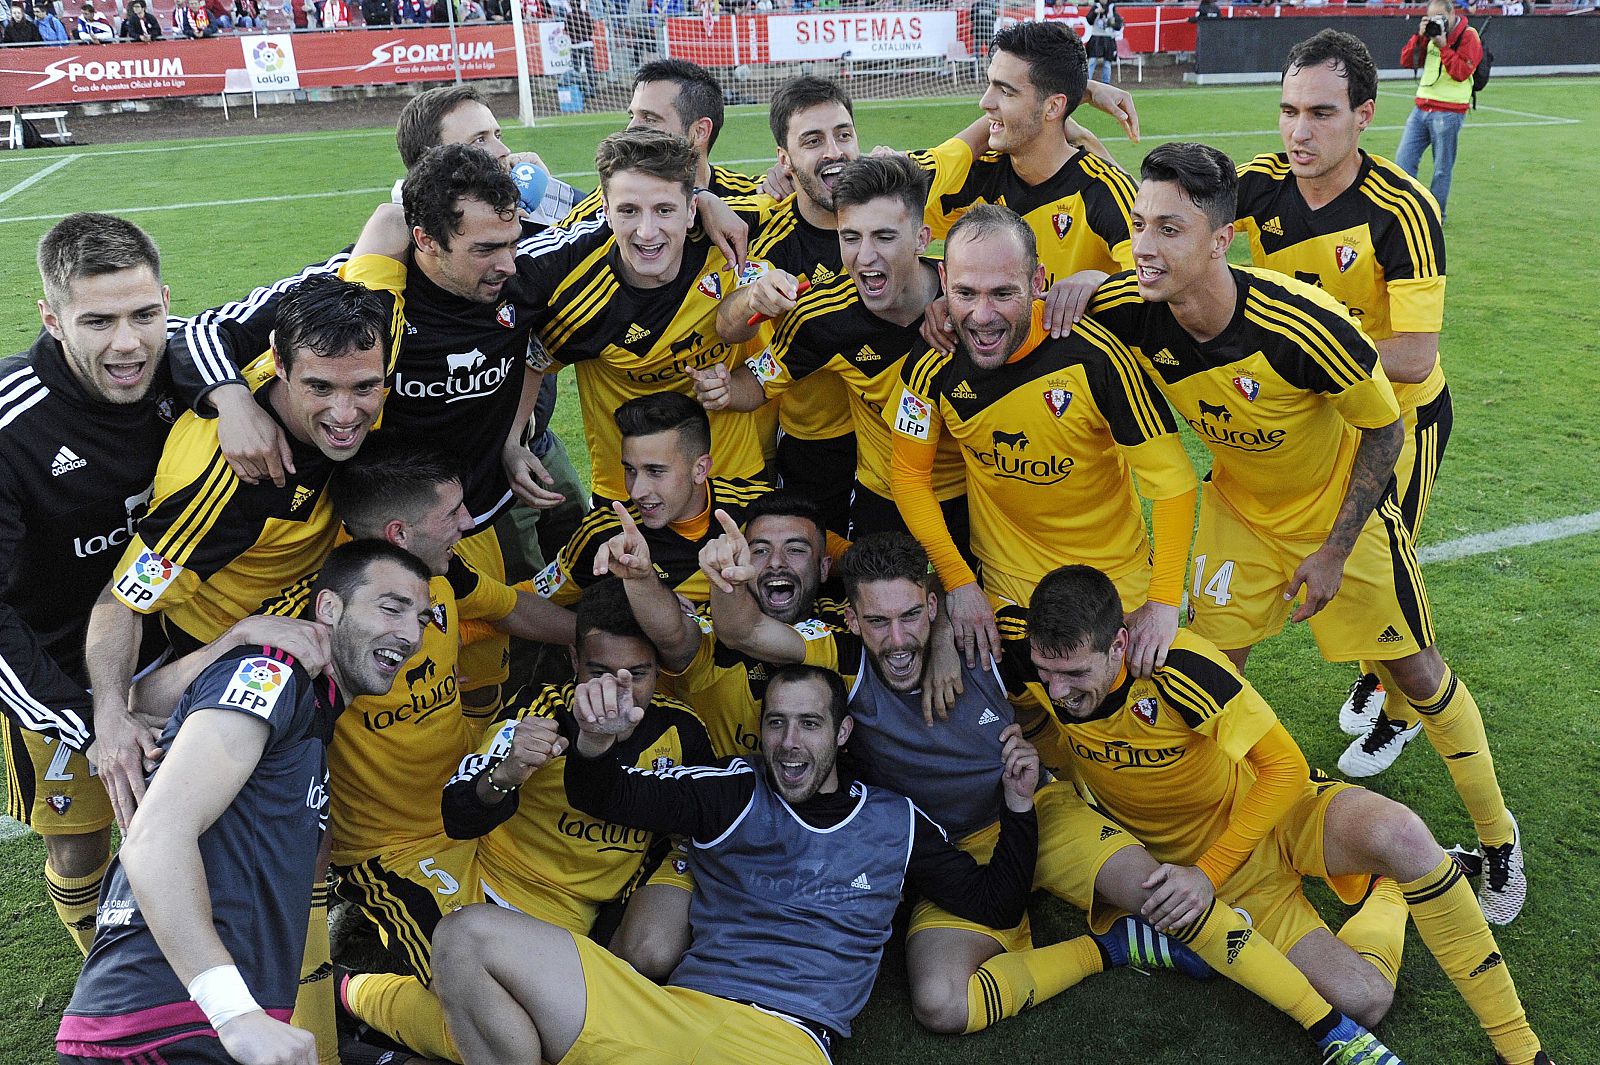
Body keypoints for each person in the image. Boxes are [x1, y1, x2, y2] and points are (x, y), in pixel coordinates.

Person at [1089, 141, 1525, 925]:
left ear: (1221, 240)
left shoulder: (1304, 324)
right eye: (1137, 225)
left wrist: (1330, 550)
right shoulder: (1130, 304)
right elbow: (1030, 300)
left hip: (1337, 523)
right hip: (1238, 518)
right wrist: (1070, 286)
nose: (1145, 247)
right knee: (1204, 681)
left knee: (1419, 674)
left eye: (1169, 229)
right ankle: (1221, 835)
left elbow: (1386, 433)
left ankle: (1497, 840)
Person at [1027, 564, 1553, 1065]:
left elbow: (1284, 768)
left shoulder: (1179, 667)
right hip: (1231, 879)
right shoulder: (1023, 660)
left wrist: (1206, 875)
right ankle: (1387, 892)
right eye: (1046, 673)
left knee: (1404, 835)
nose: (1058, 691)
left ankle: (1522, 1049)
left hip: (1274, 812)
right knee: (1364, 1001)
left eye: (1074, 673)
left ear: (1119, 645)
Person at [706, 528, 1219, 1037]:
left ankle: (1268, 963)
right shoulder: (842, 656)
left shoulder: (981, 635)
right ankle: (1107, 948)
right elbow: (744, 632)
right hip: (948, 854)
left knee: (1163, 898)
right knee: (941, 1004)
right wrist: (727, 581)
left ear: (932, 606)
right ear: (853, 620)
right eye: (878, 621)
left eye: (910, 615)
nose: (899, 639)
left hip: (1038, 809)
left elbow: (1084, 645)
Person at [429, 662, 1042, 1065]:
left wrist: (1018, 807)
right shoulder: (732, 792)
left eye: (809, 724)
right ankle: (363, 998)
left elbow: (995, 902)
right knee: (464, 936)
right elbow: (610, 795)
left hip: (783, 1042)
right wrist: (594, 743)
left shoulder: (894, 822)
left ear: (843, 733)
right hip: (671, 1013)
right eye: (776, 723)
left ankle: (372, 1004)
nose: (789, 741)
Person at [56, 541, 433, 1065]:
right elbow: (154, 839)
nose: (412, 633)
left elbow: (149, 701)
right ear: (328, 608)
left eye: (424, 618)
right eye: (391, 608)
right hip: (170, 1028)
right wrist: (235, 1013)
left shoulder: (299, 701)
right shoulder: (274, 673)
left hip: (197, 1025)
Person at [339, 579, 716, 1064]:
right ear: (575, 662)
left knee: (523, 1037)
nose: (616, 692)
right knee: (497, 1031)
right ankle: (353, 993)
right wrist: (508, 772)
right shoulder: (537, 713)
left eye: (637, 674)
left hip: (569, 915)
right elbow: (458, 812)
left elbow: (694, 829)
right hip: (477, 879)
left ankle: (357, 1000)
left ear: (658, 671)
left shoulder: (682, 731)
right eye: (599, 671)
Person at [256, 437, 575, 990]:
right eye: (452, 513)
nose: (469, 523)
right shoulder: (314, 625)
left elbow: (512, 608)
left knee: (579, 936)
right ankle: (351, 995)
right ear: (399, 534)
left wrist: (600, 645)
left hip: (481, 800)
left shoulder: (445, 577)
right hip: (394, 849)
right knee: (491, 989)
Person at [1237, 29, 1453, 777]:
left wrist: (1303, 352)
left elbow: (1416, 354)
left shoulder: (1404, 209)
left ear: (1364, 115)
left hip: (1402, 418)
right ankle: (1374, 673)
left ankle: (1399, 714)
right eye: (1289, 109)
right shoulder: (1259, 184)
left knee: (1381, 575)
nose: (1299, 131)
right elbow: (1169, 221)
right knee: (1343, 567)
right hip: (1325, 417)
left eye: (1322, 113)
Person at [891, 203, 1196, 677]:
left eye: (1003, 293)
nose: (982, 316)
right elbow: (909, 476)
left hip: (1113, 585)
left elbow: (1173, 482)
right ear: (944, 280)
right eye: (966, 292)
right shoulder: (931, 363)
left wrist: (1161, 601)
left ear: (1038, 283)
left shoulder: (1097, 359)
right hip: (1003, 594)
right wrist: (959, 583)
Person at [0, 214, 179, 956]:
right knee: (79, 841)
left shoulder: (192, 362)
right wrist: (84, 718)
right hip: (51, 668)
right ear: (51, 318)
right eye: (97, 321)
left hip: (173, 648)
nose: (129, 343)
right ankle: (103, 964)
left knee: (187, 811)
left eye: (145, 314)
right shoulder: (12, 426)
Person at [701, 155, 972, 543]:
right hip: (884, 502)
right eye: (851, 237)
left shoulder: (971, 302)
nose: (864, 256)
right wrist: (725, 389)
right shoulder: (821, 319)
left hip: (977, 497)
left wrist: (1089, 282)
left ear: (922, 239)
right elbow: (758, 383)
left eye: (884, 236)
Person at [915, 20, 1139, 340]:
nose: (985, 103)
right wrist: (949, 295)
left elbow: (1158, 283)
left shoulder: (1105, 190)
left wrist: (1099, 283)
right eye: (991, 84)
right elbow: (891, 222)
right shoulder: (979, 178)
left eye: (1005, 90)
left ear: (1053, 107)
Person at [710, 76, 862, 537]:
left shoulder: (891, 203)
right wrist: (754, 300)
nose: (833, 151)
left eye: (843, 134)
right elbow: (729, 323)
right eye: (812, 141)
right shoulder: (770, 237)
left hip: (905, 438)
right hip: (816, 443)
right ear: (785, 161)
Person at [536, 392, 771, 608]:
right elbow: (536, 600)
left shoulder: (761, 511)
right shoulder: (603, 535)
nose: (637, 491)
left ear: (700, 469)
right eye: (630, 470)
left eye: (655, 471)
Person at [562, 57, 764, 224]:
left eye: (650, 119)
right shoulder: (606, 206)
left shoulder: (753, 197)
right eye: (631, 116)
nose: (631, 129)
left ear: (700, 131)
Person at [1396, 0, 1483, 220]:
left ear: (1452, 13)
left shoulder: (1468, 36)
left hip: (1449, 111)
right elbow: (1407, 61)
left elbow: (1461, 72)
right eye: (1431, 17)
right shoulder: (1429, 36)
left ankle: (1435, 216)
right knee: (1403, 163)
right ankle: (1407, 212)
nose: (1437, 22)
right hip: (1421, 107)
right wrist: (1419, 36)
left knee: (1442, 169)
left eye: (1440, 17)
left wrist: (1443, 45)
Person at [1084, 1, 1123, 84]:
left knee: (1107, 63)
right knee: (1092, 61)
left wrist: (1112, 23)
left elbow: (1118, 25)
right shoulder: (1095, 7)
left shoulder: (1112, 8)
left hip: (1108, 38)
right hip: (1096, 37)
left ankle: (1106, 83)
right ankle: (1086, 81)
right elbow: (1089, 20)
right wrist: (1095, 12)